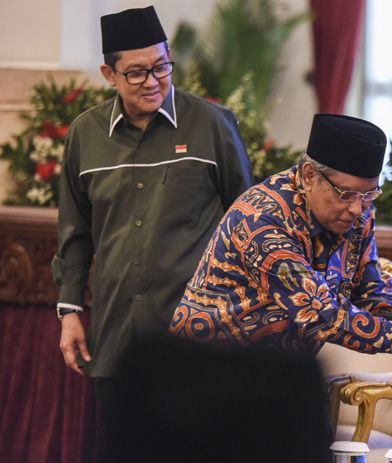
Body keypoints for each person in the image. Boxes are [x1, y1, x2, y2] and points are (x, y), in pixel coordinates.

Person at [53, 5, 252, 460]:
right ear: (110, 73)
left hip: (198, 339)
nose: (154, 81)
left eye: (162, 66)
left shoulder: (212, 125)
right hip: (117, 337)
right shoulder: (85, 134)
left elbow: (246, 225)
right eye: (137, 72)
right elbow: (74, 230)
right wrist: (68, 312)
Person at [170, 113, 392, 363]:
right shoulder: (261, 219)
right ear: (309, 175)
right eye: (346, 193)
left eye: (369, 194)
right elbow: (319, 312)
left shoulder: (358, 212)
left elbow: (370, 290)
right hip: (204, 373)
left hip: (270, 376)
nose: (357, 208)